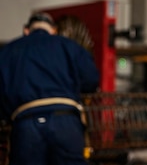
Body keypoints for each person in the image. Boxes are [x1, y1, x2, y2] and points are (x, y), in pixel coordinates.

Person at [0, 12, 100, 165]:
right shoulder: (69, 46)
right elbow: (91, 80)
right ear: (53, 30)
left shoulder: (8, 51)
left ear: (26, 30)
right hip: (66, 121)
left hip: (26, 124)